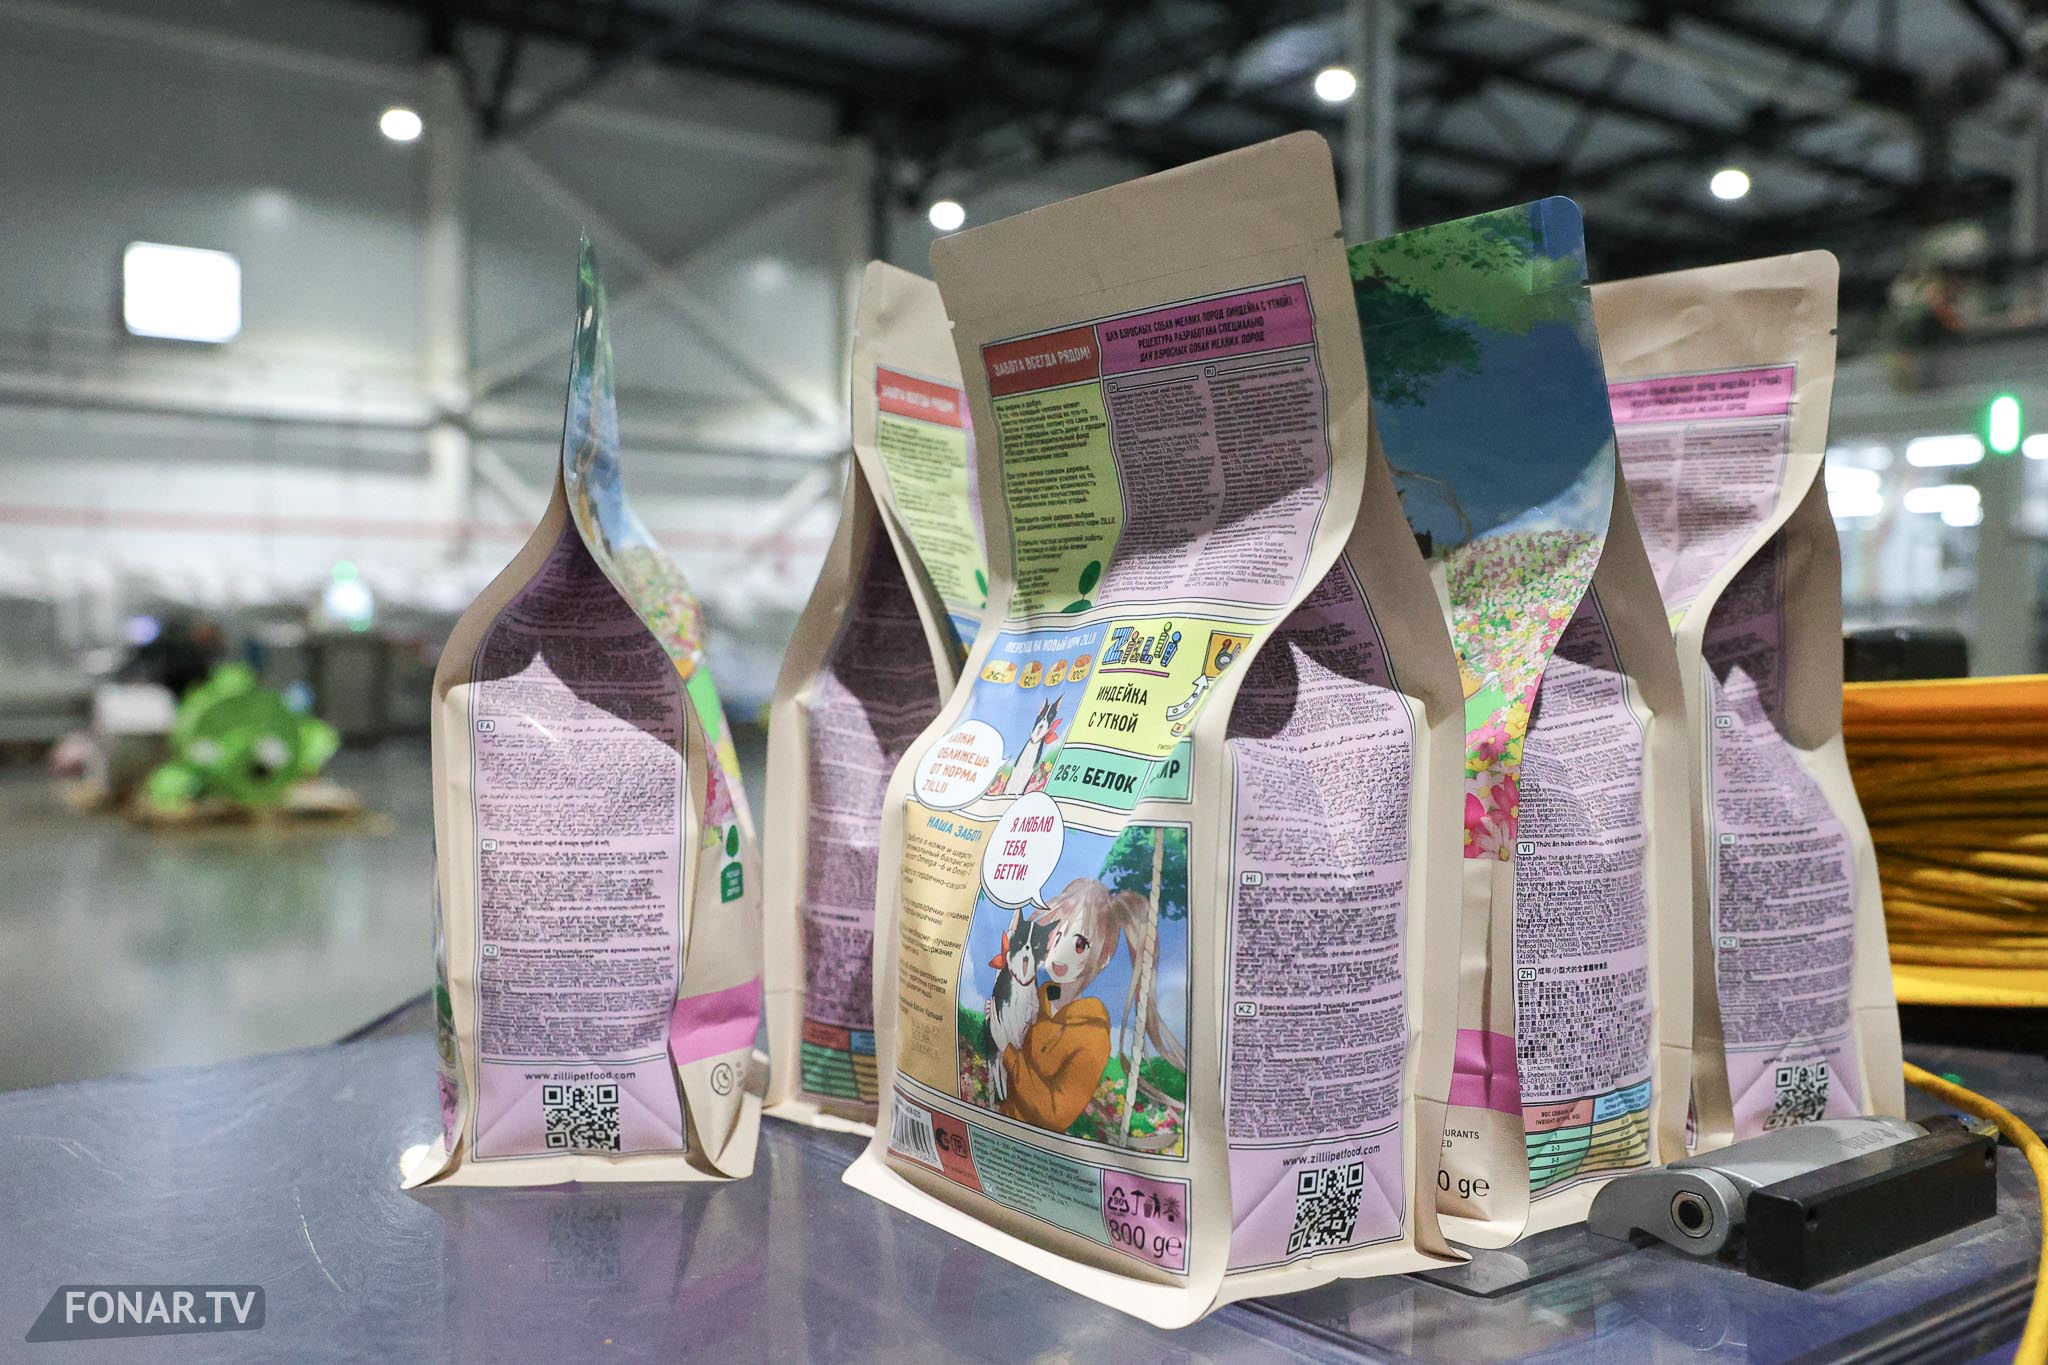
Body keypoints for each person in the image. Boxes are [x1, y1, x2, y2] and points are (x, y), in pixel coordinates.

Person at [996, 876, 1186, 1135]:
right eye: (1056, 935)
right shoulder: (1036, 1000)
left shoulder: (1091, 1035)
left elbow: (1055, 1115)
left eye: (1079, 944)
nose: (1060, 952)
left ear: (1104, 957)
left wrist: (1007, 1050)